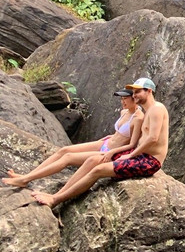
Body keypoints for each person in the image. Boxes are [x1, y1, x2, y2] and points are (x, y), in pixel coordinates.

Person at [30, 77, 168, 208]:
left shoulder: (157, 109)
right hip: (139, 154)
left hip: (150, 161)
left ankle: (55, 200)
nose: (135, 95)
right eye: (133, 92)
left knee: (98, 170)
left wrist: (131, 155)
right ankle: (56, 194)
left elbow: (153, 138)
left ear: (149, 91)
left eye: (138, 91)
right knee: (93, 160)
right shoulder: (146, 110)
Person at [4, 89, 143, 187]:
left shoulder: (138, 118)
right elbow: (120, 132)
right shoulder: (123, 112)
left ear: (134, 99)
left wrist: (111, 152)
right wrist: (111, 136)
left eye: (126, 99)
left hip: (111, 152)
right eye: (122, 98)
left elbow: (133, 144)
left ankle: (26, 179)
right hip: (106, 143)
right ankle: (27, 176)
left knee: (68, 158)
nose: (123, 102)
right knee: (64, 150)